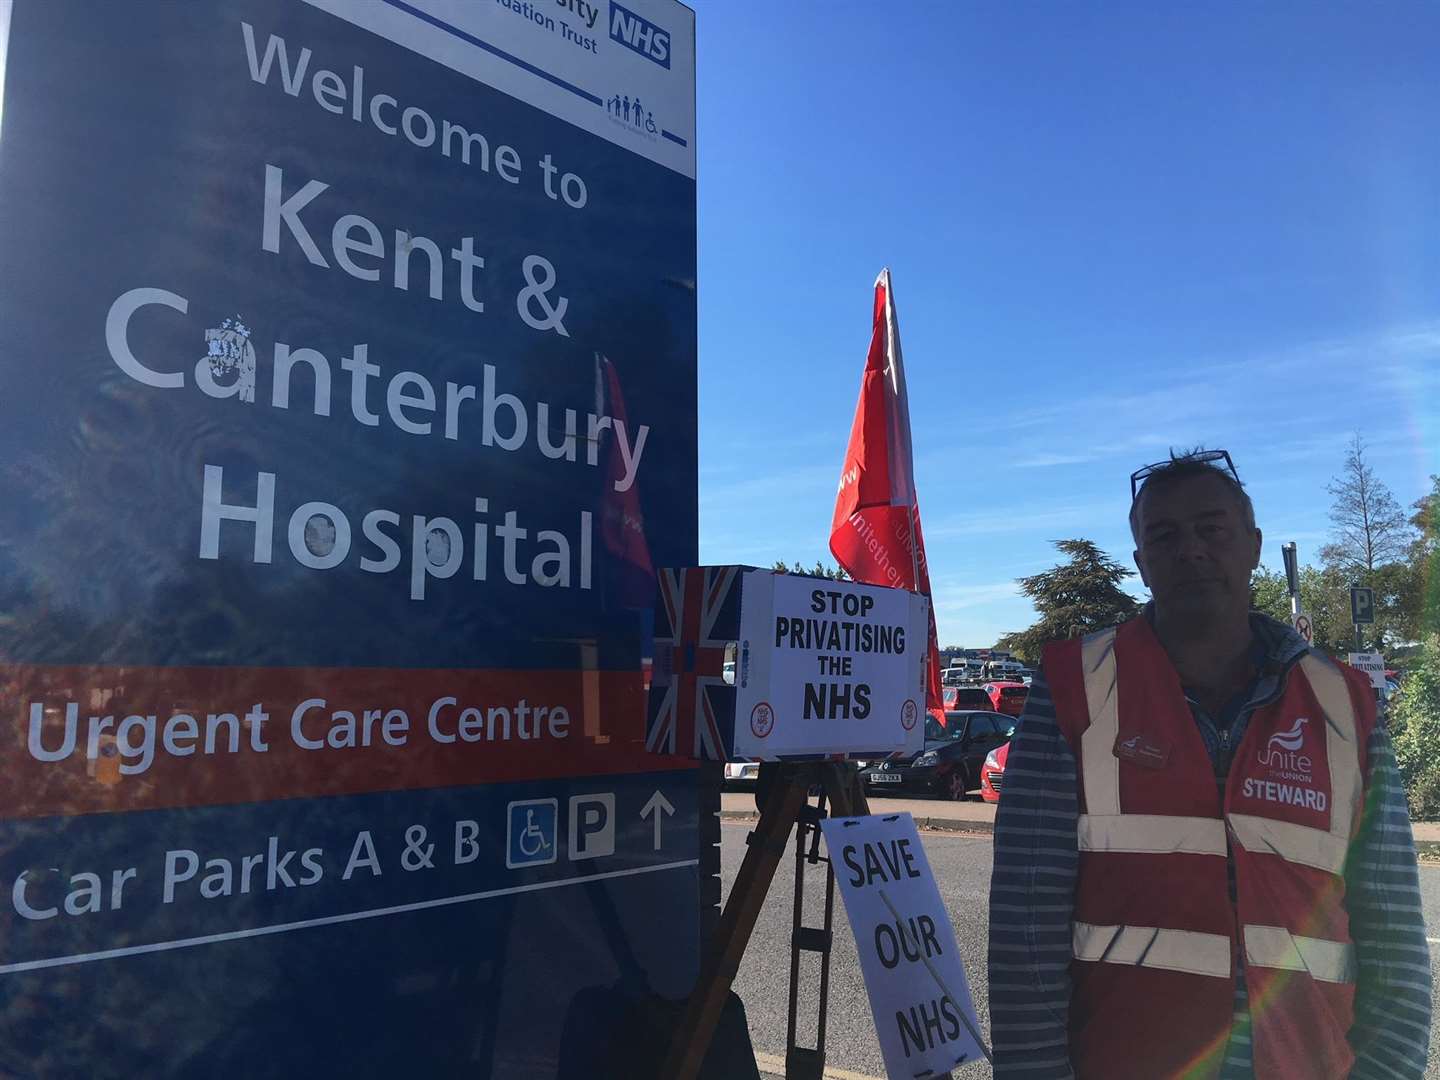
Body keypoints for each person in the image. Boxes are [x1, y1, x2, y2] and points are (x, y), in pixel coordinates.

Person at [988, 449, 1431, 1079]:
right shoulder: (1071, 690)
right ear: (1141, 564)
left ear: (1253, 545)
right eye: (1163, 535)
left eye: (1211, 528)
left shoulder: (1346, 704)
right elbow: (1025, 932)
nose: (1190, 549)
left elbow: (1393, 937)